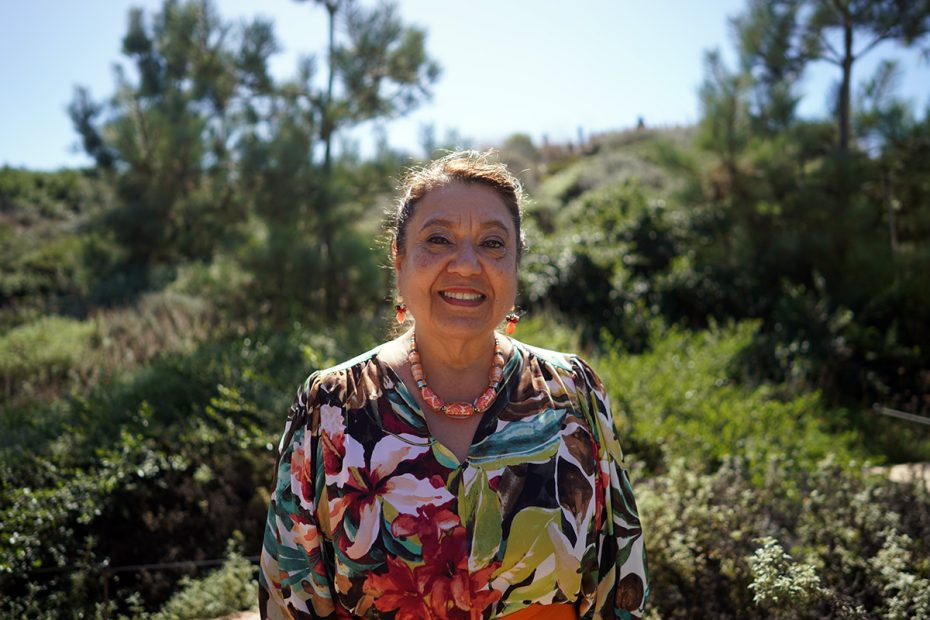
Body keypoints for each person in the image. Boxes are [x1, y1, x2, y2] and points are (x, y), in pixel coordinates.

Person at [258, 151, 649, 619]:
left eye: (492, 244)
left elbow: (618, 583)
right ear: (399, 259)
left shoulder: (573, 393)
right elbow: (290, 595)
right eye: (439, 239)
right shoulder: (330, 407)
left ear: (516, 265)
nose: (466, 264)